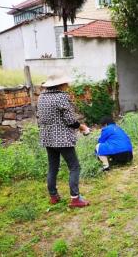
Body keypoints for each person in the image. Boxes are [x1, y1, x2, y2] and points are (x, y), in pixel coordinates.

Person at [37, 74, 90, 208]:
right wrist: (82, 127)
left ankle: (54, 196)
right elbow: (70, 121)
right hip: (62, 139)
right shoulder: (61, 97)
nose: (68, 85)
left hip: (48, 138)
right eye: (66, 83)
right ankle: (75, 199)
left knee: (53, 167)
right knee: (74, 167)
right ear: (60, 85)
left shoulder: (42, 97)